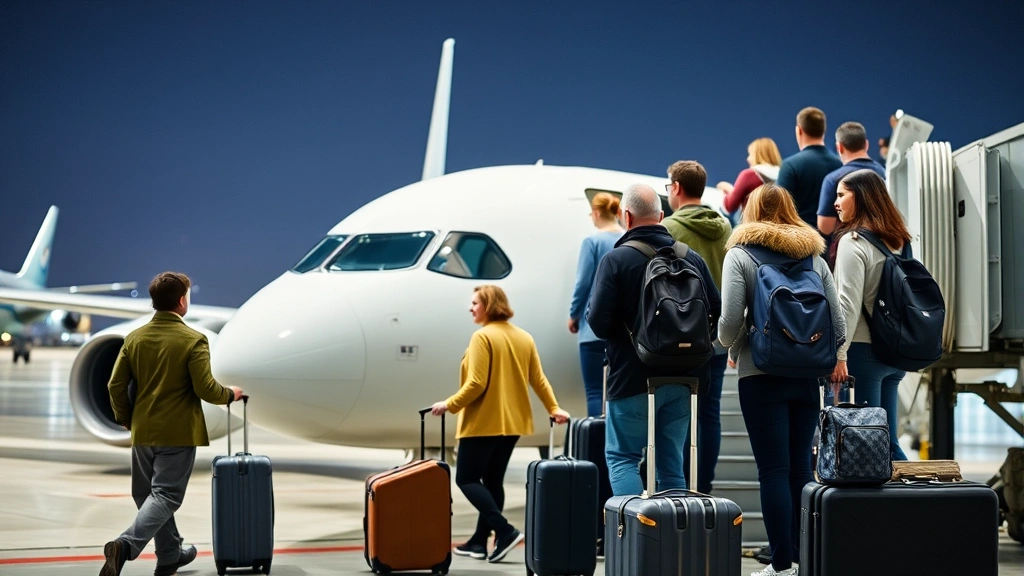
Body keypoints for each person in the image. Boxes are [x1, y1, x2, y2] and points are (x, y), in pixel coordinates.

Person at [718, 184, 845, 576]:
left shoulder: (740, 255)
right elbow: (837, 323)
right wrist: (832, 358)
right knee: (800, 471)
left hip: (762, 375)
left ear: (751, 211)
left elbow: (727, 326)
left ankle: (781, 564)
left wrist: (737, 345)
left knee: (772, 471)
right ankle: (807, 559)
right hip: (807, 376)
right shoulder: (813, 256)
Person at [100, 272, 243, 576]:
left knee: (146, 495)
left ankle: (169, 553)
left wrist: (126, 418)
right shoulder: (193, 339)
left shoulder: (135, 338)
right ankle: (125, 545)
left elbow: (115, 385)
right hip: (178, 432)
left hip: (142, 431)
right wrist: (231, 394)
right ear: (182, 301)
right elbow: (206, 389)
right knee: (165, 496)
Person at [587, 183, 721, 496]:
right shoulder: (693, 259)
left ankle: (633, 540)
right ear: (661, 215)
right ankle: (671, 542)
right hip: (684, 379)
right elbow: (714, 312)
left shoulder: (616, 260)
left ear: (626, 217)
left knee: (622, 457)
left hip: (632, 378)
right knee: (671, 465)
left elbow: (598, 323)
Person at [430, 285, 570, 564]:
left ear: (489, 305)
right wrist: (553, 408)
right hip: (513, 424)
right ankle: (479, 542)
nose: (471, 308)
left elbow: (476, 383)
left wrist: (450, 404)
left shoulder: (482, 337)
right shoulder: (523, 337)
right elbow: (538, 379)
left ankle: (504, 531)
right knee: (493, 480)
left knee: (466, 478)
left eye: (475, 303)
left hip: (484, 421)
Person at [829, 169, 911, 461]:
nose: (835, 203)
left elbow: (846, 304)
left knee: (867, 444)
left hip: (863, 353)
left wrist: (839, 353)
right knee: (886, 441)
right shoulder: (898, 240)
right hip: (894, 352)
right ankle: (915, 498)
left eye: (841, 195)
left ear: (860, 196)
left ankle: (917, 501)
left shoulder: (853, 242)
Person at [662, 160, 732, 494]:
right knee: (710, 413)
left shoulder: (671, 229)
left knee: (679, 413)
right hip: (716, 337)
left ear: (676, 187)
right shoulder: (725, 227)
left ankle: (680, 486)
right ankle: (703, 486)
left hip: (681, 337)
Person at [569, 192, 624, 417]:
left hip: (592, 330)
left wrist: (573, 314)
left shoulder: (592, 242)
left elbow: (583, 283)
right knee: (618, 393)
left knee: (594, 392)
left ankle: (595, 447)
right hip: (622, 329)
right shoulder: (626, 238)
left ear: (597, 212)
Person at [816, 122, 886, 239]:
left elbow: (825, 227)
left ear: (840, 147)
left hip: (850, 244)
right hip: (883, 244)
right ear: (866, 144)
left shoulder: (833, 179)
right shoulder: (884, 173)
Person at [775, 107, 843, 227]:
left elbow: (779, 209)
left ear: (799, 130)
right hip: (835, 240)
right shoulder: (840, 164)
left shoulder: (790, 166)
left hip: (800, 240)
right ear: (824, 130)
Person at [719, 138, 783, 224]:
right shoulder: (784, 174)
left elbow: (729, 206)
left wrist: (728, 189)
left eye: (750, 154)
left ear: (758, 155)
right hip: (780, 229)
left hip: (752, 229)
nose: (748, 159)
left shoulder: (749, 175)